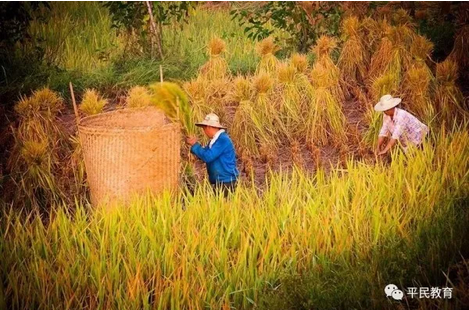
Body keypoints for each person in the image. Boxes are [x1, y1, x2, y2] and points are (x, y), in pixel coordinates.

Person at [185, 113, 239, 197]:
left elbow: (208, 156)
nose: (204, 131)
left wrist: (195, 145)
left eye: (204, 128)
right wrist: (194, 147)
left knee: (223, 207)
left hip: (226, 181)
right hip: (220, 181)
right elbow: (205, 153)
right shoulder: (214, 141)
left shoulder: (223, 140)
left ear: (209, 127)